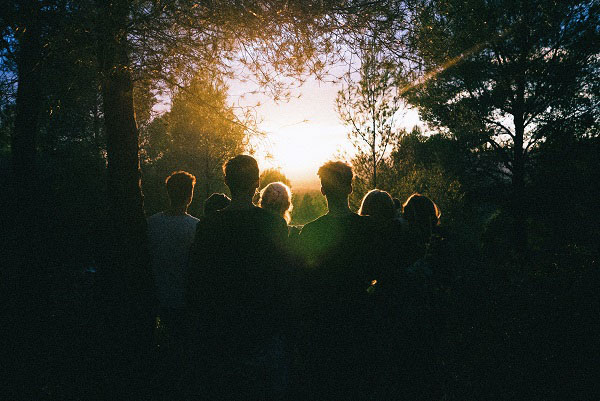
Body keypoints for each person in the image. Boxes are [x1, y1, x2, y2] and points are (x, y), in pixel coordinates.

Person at [186, 155, 289, 399]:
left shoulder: (208, 225)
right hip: (262, 327)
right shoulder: (274, 224)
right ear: (257, 181)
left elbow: (197, 280)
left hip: (220, 328)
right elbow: (282, 279)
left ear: (226, 182)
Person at [296, 161, 379, 398]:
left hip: (323, 325)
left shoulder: (311, 231)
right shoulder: (368, 228)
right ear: (350, 189)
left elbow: (304, 279)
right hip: (360, 320)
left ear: (323, 190)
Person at [146, 171, 199, 397]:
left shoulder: (151, 224)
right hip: (186, 303)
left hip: (156, 302)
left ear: (168, 192)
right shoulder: (197, 228)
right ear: (190, 196)